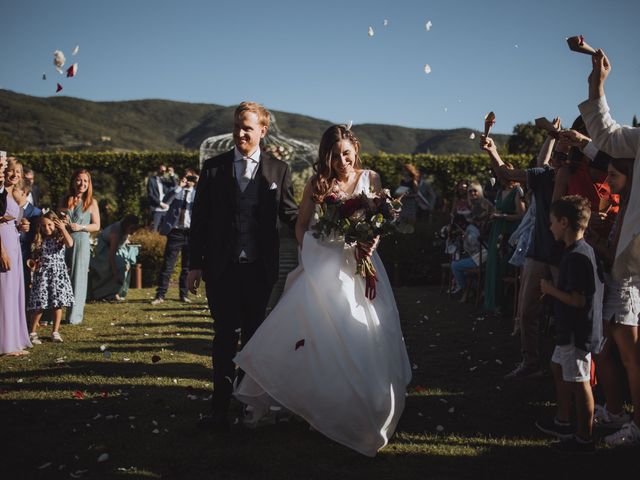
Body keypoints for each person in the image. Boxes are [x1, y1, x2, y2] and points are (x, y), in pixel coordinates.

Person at [233, 125, 412, 457]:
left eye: (347, 153)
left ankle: (367, 406)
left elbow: (378, 221)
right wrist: (314, 250)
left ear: (356, 150)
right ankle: (323, 407)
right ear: (325, 156)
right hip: (325, 266)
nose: (342, 161)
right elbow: (301, 224)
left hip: (361, 266)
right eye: (335, 155)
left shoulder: (370, 178)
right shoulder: (318, 184)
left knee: (367, 332)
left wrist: (372, 242)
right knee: (325, 336)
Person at [186, 102, 298, 432]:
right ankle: (219, 408)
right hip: (222, 268)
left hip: (260, 269)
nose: (240, 133)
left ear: (262, 130)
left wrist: (323, 236)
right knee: (224, 336)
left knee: (254, 338)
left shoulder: (279, 170)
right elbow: (200, 220)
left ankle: (250, 404)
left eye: (247, 127)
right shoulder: (214, 167)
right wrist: (194, 265)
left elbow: (290, 215)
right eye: (237, 126)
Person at [482, 133, 565, 379]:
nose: (559, 160)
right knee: (528, 310)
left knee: (568, 314)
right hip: (539, 252)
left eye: (564, 155)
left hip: (567, 255)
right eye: (557, 155)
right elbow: (507, 175)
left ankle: (571, 367)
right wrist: (492, 151)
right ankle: (531, 361)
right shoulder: (544, 176)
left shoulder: (578, 177)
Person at [536, 195, 603, 453]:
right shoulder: (579, 251)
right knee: (556, 366)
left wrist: (550, 290)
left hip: (576, 331)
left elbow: (577, 300)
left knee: (580, 381)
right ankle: (563, 420)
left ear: (564, 222)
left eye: (552, 222)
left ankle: (584, 437)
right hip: (569, 330)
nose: (550, 226)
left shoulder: (577, 257)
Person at [589, 158, 640, 446]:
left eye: (613, 175)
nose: (607, 181)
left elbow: (615, 255)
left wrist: (588, 238)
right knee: (604, 351)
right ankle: (615, 411)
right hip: (617, 286)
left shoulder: (631, 211)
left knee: (630, 359)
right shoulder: (621, 209)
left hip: (626, 288)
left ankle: (635, 425)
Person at [151, 169, 198, 305]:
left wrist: (200, 183)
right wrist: (179, 186)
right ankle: (160, 295)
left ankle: (184, 294)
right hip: (176, 232)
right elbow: (165, 201)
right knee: (168, 265)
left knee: (187, 267)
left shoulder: (197, 193)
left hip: (190, 233)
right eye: (187, 177)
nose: (189, 180)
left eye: (192, 178)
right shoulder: (176, 191)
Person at [0, 158, 32, 355]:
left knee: (14, 291)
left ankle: (15, 338)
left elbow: (15, 219)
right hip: (3, 244)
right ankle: (5, 342)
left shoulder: (15, 194)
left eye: (18, 172)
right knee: (4, 292)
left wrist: (22, 225)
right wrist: (1, 251)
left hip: (14, 242)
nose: (14, 174)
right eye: (11, 170)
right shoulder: (1, 192)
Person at [27, 212, 74, 344]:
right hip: (42, 274)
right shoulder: (39, 239)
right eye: (43, 225)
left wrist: (63, 228)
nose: (47, 228)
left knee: (57, 304)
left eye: (50, 225)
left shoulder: (59, 237)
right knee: (39, 304)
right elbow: (35, 256)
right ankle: (32, 332)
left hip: (58, 274)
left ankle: (55, 332)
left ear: (55, 224)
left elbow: (70, 243)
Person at [62, 169, 101, 324]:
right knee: (60, 274)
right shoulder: (65, 199)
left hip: (81, 241)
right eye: (79, 180)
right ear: (73, 181)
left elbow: (97, 225)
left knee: (78, 277)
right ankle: (50, 314)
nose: (82, 184)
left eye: (85, 181)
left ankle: (74, 316)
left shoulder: (92, 202)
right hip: (63, 241)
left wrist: (81, 227)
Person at [483, 170, 525, 311]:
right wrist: (493, 214)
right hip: (497, 229)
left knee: (502, 264)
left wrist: (503, 216)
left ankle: (502, 302)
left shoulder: (517, 192)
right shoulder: (500, 192)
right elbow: (497, 209)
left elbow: (521, 215)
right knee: (493, 263)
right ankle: (492, 301)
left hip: (509, 230)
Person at [89, 215, 140, 301]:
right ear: (126, 226)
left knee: (125, 266)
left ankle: (117, 291)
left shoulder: (126, 231)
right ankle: (110, 293)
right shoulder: (115, 233)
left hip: (115, 249)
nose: (133, 232)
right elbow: (111, 255)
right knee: (118, 267)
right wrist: (115, 273)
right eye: (132, 228)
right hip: (103, 250)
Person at [147, 165, 176, 232]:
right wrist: (160, 203)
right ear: (157, 170)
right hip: (156, 208)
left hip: (166, 209)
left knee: (165, 230)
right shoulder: (151, 180)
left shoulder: (165, 180)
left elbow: (175, 185)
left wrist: (172, 175)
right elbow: (150, 195)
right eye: (161, 170)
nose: (163, 172)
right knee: (154, 230)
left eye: (164, 170)